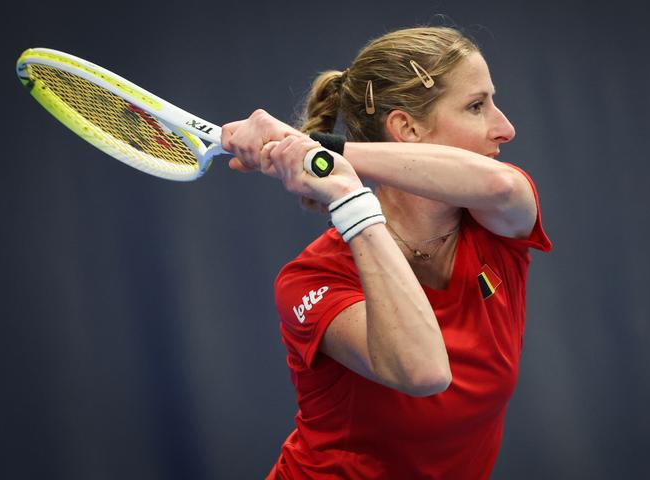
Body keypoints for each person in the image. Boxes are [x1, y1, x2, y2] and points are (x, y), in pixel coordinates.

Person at [221, 26, 552, 480]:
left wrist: (324, 149)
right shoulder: (314, 277)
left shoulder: (498, 225)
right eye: (477, 106)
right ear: (407, 129)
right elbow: (423, 371)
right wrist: (349, 198)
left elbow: (498, 183)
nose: (506, 127)